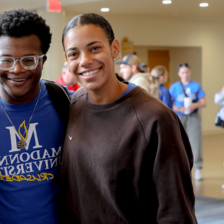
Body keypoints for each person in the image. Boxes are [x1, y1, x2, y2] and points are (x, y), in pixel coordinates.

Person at [60, 13, 196, 223]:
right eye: (73, 54)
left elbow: (176, 211)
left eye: (95, 48)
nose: (85, 61)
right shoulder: (75, 104)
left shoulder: (154, 118)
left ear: (115, 49)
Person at [0, 9, 73, 224]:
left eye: (29, 60)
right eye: (6, 60)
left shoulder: (67, 104)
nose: (16, 69)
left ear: (43, 60)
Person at [170, 63, 206, 181]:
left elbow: (203, 102)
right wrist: (178, 109)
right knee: (177, 142)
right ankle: (180, 168)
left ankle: (198, 169)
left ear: (190, 72)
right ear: (179, 74)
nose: (185, 75)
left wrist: (195, 105)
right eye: (183, 73)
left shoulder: (196, 86)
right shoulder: (174, 87)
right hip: (179, 117)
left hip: (193, 116)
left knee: (196, 142)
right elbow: (170, 104)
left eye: (187, 72)